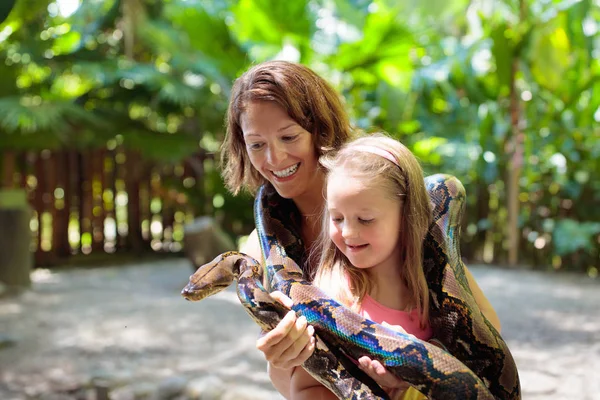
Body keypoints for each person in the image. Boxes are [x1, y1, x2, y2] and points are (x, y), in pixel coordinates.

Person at [285, 134, 503, 400]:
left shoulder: (446, 272)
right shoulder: (334, 296)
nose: (349, 232)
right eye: (337, 217)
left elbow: (490, 337)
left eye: (365, 219)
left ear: (408, 215)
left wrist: (419, 358)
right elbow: (304, 388)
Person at [221, 60, 354, 398]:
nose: (275, 158)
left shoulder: (384, 204)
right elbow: (291, 387)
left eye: (289, 136)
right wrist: (281, 360)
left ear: (320, 131)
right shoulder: (258, 251)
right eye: (256, 144)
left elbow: (485, 326)